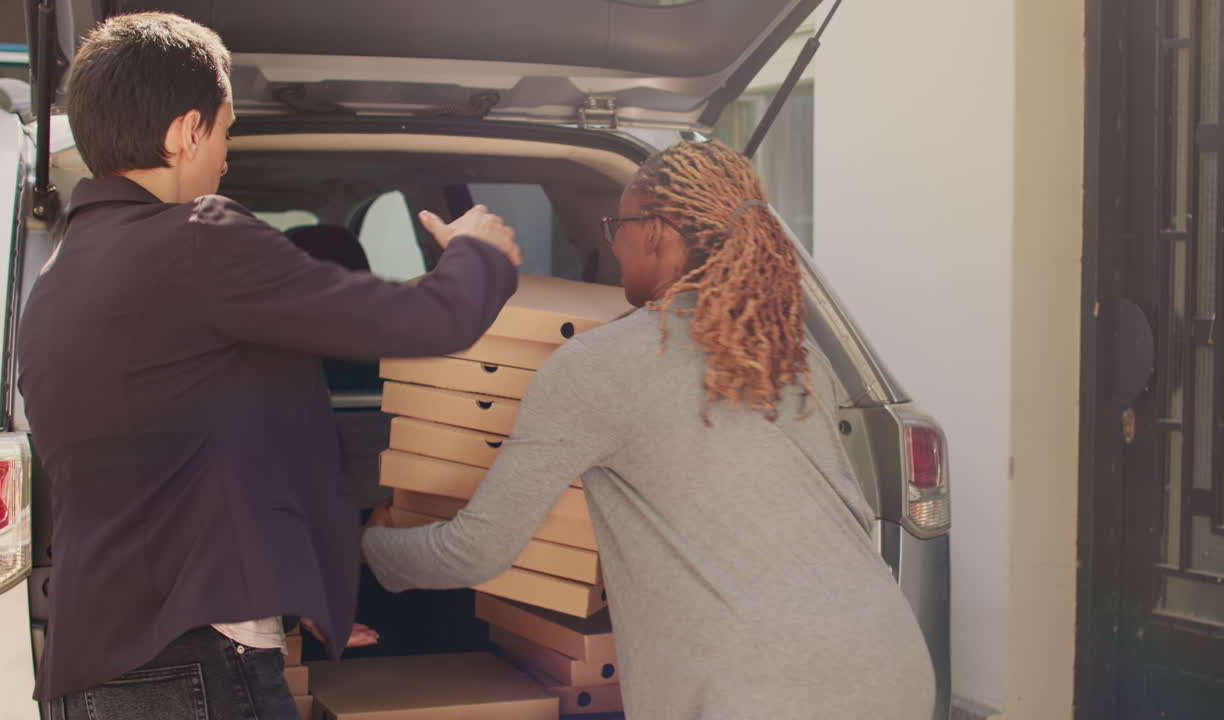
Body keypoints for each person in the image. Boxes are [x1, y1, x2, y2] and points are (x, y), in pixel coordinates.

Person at [17, 11, 520, 720]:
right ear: (184, 132)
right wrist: (479, 251)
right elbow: (428, 320)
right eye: (224, 132)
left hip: (97, 669)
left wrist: (297, 588)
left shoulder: (61, 275)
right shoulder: (197, 240)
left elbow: (202, 451)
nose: (225, 159)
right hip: (194, 664)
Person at [361, 140, 936, 719]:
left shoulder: (599, 364)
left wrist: (367, 546)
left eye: (617, 225)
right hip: (891, 668)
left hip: (757, 694)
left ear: (655, 231)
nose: (613, 243)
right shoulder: (791, 349)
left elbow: (475, 552)